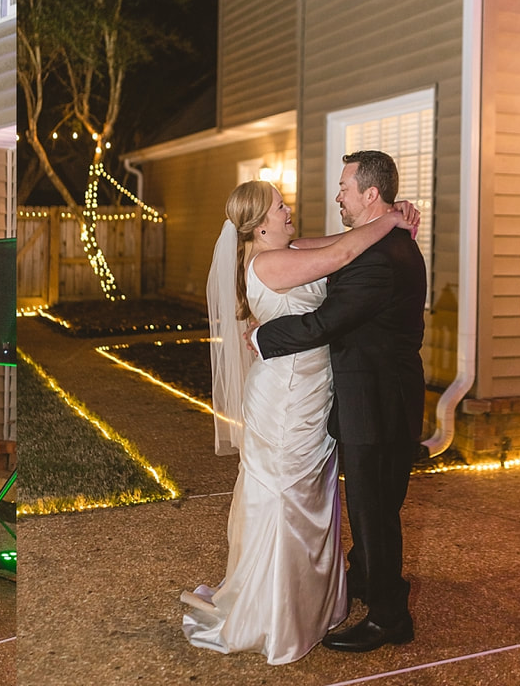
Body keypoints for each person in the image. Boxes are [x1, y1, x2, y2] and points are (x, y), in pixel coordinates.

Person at [181, 176, 417, 664]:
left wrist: (384, 219)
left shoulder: (287, 248)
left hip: (313, 394)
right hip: (285, 398)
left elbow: (340, 242)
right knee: (286, 498)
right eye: (279, 207)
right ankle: (277, 612)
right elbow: (340, 257)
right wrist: (391, 220)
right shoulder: (269, 261)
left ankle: (315, 600)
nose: (289, 211)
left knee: (313, 496)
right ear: (259, 225)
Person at [253, 150, 427, 653]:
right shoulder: (385, 242)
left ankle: (390, 618)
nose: (338, 197)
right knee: (379, 502)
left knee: (374, 508)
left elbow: (327, 322)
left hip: (376, 400)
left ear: (371, 195)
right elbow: (324, 250)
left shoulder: (379, 260)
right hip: (385, 393)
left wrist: (266, 337)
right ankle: (368, 579)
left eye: (345, 188)